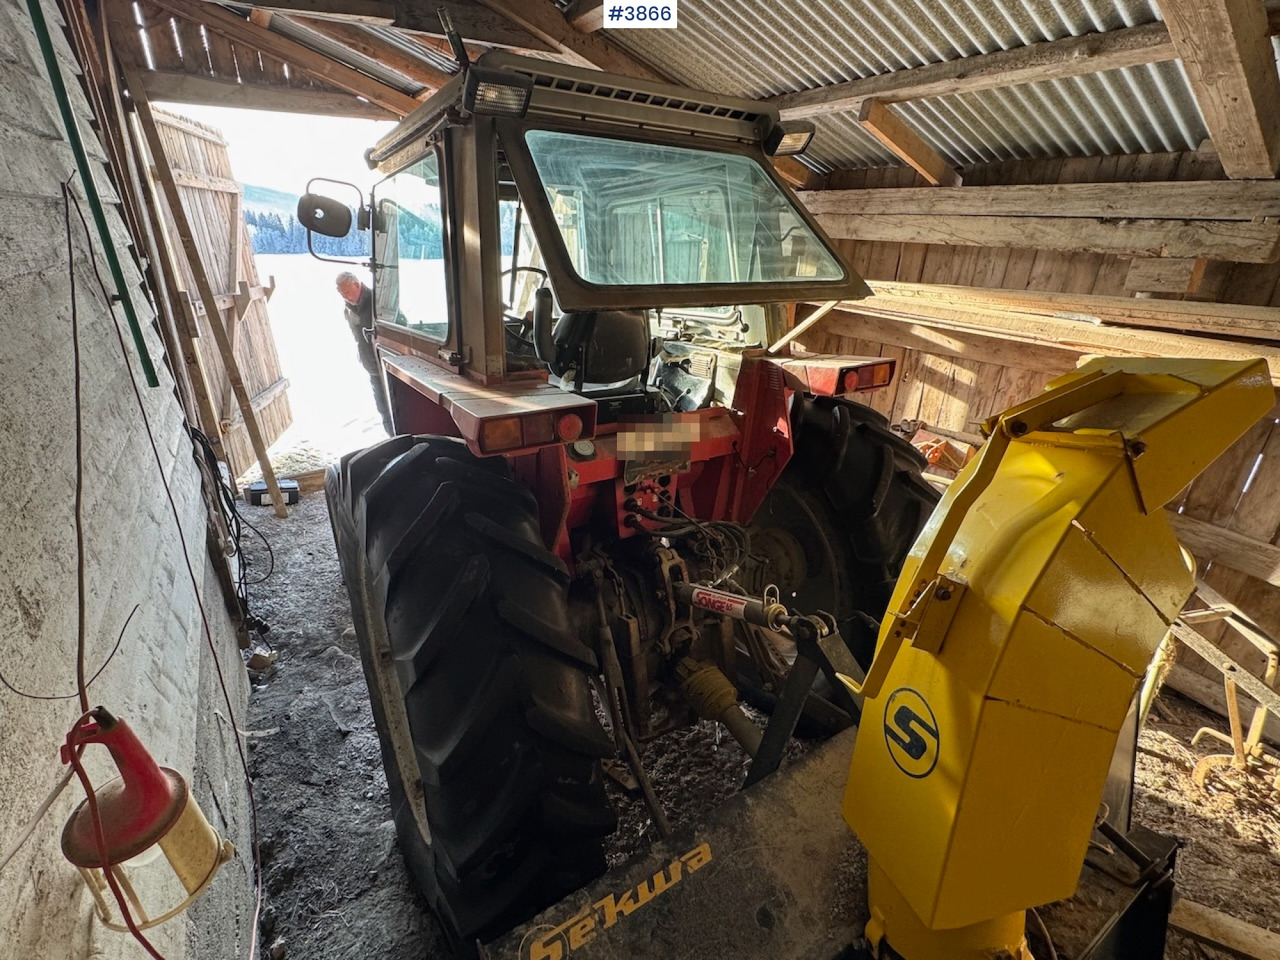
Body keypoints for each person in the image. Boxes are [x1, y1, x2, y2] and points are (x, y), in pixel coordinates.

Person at [336, 271, 393, 435]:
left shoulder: (378, 301)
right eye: (341, 293)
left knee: (398, 407)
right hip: (372, 366)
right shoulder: (348, 310)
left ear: (357, 284)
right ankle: (392, 439)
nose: (344, 297)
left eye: (347, 292)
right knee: (382, 407)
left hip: (389, 364)